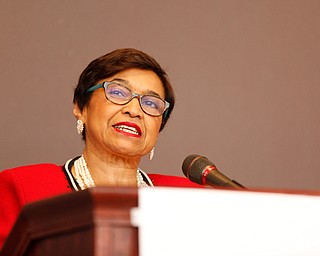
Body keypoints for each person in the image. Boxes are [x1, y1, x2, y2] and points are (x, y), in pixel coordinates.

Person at [0, 48, 202, 248]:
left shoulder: (188, 198)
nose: (134, 110)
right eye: (117, 92)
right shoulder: (23, 187)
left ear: (158, 128)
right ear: (80, 107)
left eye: (150, 103)